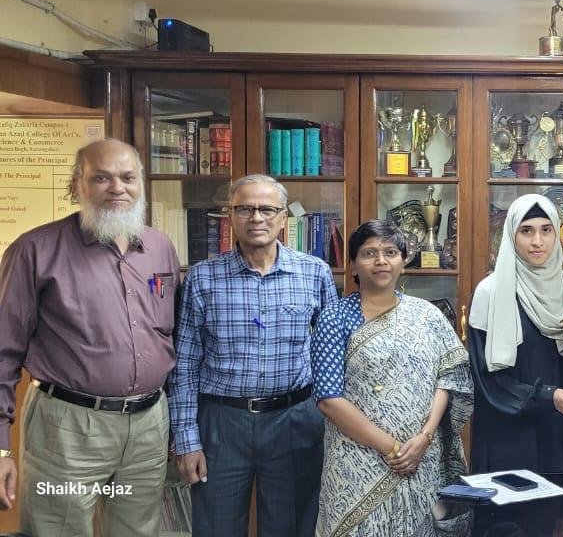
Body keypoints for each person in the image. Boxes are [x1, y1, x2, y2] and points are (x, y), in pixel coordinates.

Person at [0, 139, 179, 536]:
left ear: (141, 184)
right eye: (102, 177)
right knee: (56, 529)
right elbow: (3, 354)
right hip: (68, 428)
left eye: (128, 177)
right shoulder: (35, 250)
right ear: (76, 185)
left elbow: (169, 335)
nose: (117, 188)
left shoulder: (161, 248)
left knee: (138, 530)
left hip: (148, 425)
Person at [171, 174, 339, 536]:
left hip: (295, 420)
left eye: (266, 209)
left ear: (283, 218)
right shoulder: (202, 278)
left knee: (291, 526)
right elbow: (184, 363)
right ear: (230, 216)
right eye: (245, 208)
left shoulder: (314, 273)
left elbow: (333, 358)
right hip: (221, 424)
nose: (256, 218)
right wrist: (186, 439)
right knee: (216, 526)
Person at [312, 220, 472, 536]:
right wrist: (394, 449)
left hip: (421, 458)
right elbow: (329, 399)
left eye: (390, 252)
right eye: (369, 253)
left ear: (402, 261)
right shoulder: (335, 317)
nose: (381, 261)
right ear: (353, 265)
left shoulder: (427, 315)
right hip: (356, 462)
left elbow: (449, 376)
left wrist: (423, 439)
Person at [468, 194, 563, 473]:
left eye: (546, 230)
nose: (538, 241)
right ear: (512, 236)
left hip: (562, 431)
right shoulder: (490, 293)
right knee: (515, 514)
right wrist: (548, 396)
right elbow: (487, 380)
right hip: (510, 434)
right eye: (526, 231)